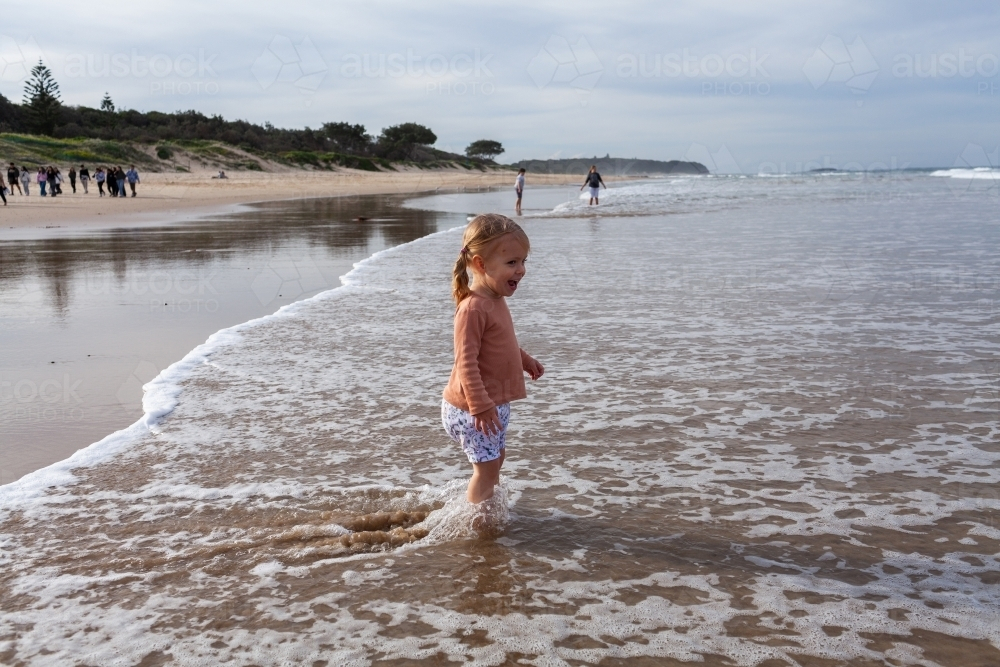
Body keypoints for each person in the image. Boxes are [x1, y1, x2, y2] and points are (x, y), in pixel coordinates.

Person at [441, 214, 545, 510]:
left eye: (524, 261)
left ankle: (486, 509)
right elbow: (466, 362)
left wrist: (525, 361)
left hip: (489, 404)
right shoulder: (473, 308)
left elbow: (502, 343)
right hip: (472, 408)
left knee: (496, 461)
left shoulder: (495, 300)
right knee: (486, 471)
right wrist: (481, 404)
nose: (521, 270)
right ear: (480, 264)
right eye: (512, 263)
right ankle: (477, 526)